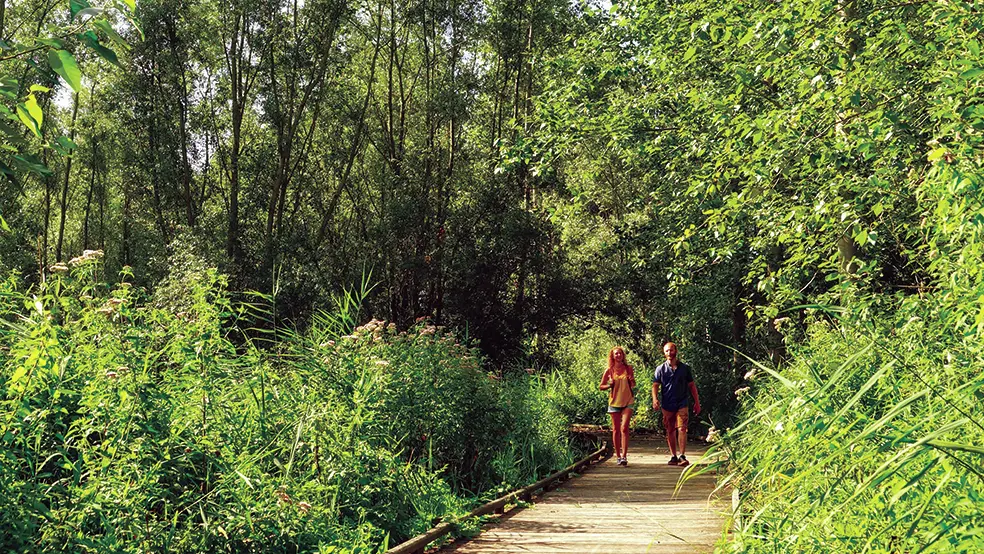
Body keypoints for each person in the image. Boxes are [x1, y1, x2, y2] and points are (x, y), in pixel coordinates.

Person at [651, 342, 701, 467]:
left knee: (682, 428)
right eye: (667, 351)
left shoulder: (685, 368)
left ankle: (682, 456)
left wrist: (697, 402)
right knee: (670, 430)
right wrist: (655, 399)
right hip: (667, 403)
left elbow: (691, 385)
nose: (669, 353)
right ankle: (673, 456)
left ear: (676, 351)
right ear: (664, 353)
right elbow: (655, 385)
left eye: (671, 350)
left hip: (682, 402)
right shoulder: (660, 369)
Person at [599, 346, 636, 466]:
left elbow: (633, 385)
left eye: (620, 353)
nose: (618, 355)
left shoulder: (628, 368)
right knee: (616, 430)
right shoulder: (609, 370)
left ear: (623, 355)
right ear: (612, 356)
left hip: (627, 401)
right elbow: (601, 386)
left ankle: (624, 456)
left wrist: (631, 380)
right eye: (616, 354)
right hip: (614, 402)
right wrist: (609, 385)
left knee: (624, 428)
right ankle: (618, 456)